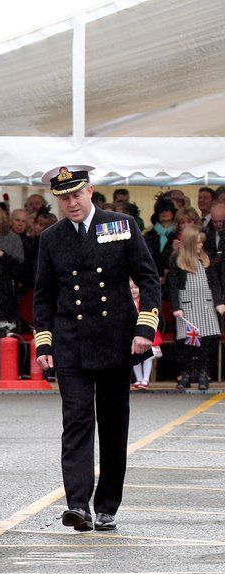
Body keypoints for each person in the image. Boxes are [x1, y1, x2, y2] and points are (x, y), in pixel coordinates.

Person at [33, 165, 161, 533]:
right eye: (63, 198)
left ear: (90, 191)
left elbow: (148, 279)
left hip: (115, 339)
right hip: (71, 342)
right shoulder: (52, 237)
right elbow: (44, 295)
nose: (71, 203)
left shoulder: (119, 225)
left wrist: (144, 328)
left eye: (76, 194)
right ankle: (77, 504)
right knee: (75, 423)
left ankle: (106, 505)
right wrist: (45, 339)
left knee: (113, 423)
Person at [166, 226, 224, 391]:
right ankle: (186, 373)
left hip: (205, 305)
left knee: (207, 340)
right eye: (198, 243)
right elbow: (173, 286)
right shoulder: (177, 259)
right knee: (188, 341)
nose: (200, 246)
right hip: (187, 306)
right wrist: (176, 307)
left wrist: (218, 302)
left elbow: (215, 283)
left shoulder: (206, 259)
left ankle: (202, 373)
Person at [144, 195, 178, 279]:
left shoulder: (178, 234)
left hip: (174, 278)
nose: (164, 213)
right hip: (153, 278)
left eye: (167, 210)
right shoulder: (148, 235)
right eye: (161, 210)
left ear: (173, 212)